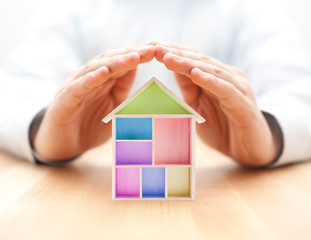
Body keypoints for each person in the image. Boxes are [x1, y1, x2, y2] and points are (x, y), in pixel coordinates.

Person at [1, 0, 311, 167]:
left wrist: (269, 134)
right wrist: (42, 130)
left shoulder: (247, 9)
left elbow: (299, 88)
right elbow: (14, 89)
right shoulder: (71, 9)